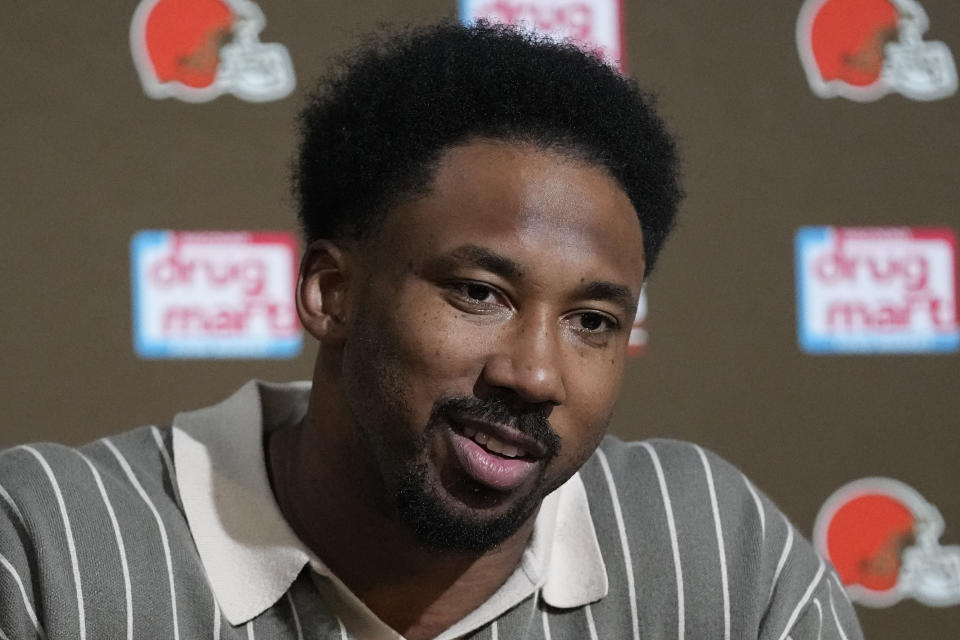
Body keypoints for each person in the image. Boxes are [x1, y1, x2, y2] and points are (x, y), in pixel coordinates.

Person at [0, 21, 862, 640]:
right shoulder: (48, 551)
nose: (534, 374)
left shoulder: (718, 553)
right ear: (331, 293)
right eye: (481, 293)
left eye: (592, 321)